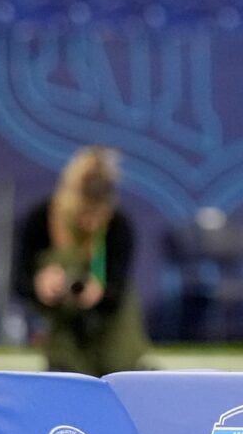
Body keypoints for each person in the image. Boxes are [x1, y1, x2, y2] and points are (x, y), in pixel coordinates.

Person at [13, 147, 149, 375]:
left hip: (111, 332)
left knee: (121, 368)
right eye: (84, 214)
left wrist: (100, 294)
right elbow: (19, 281)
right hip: (63, 334)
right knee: (66, 372)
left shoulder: (117, 225)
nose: (89, 224)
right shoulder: (41, 220)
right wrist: (40, 286)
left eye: (97, 215)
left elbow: (118, 284)